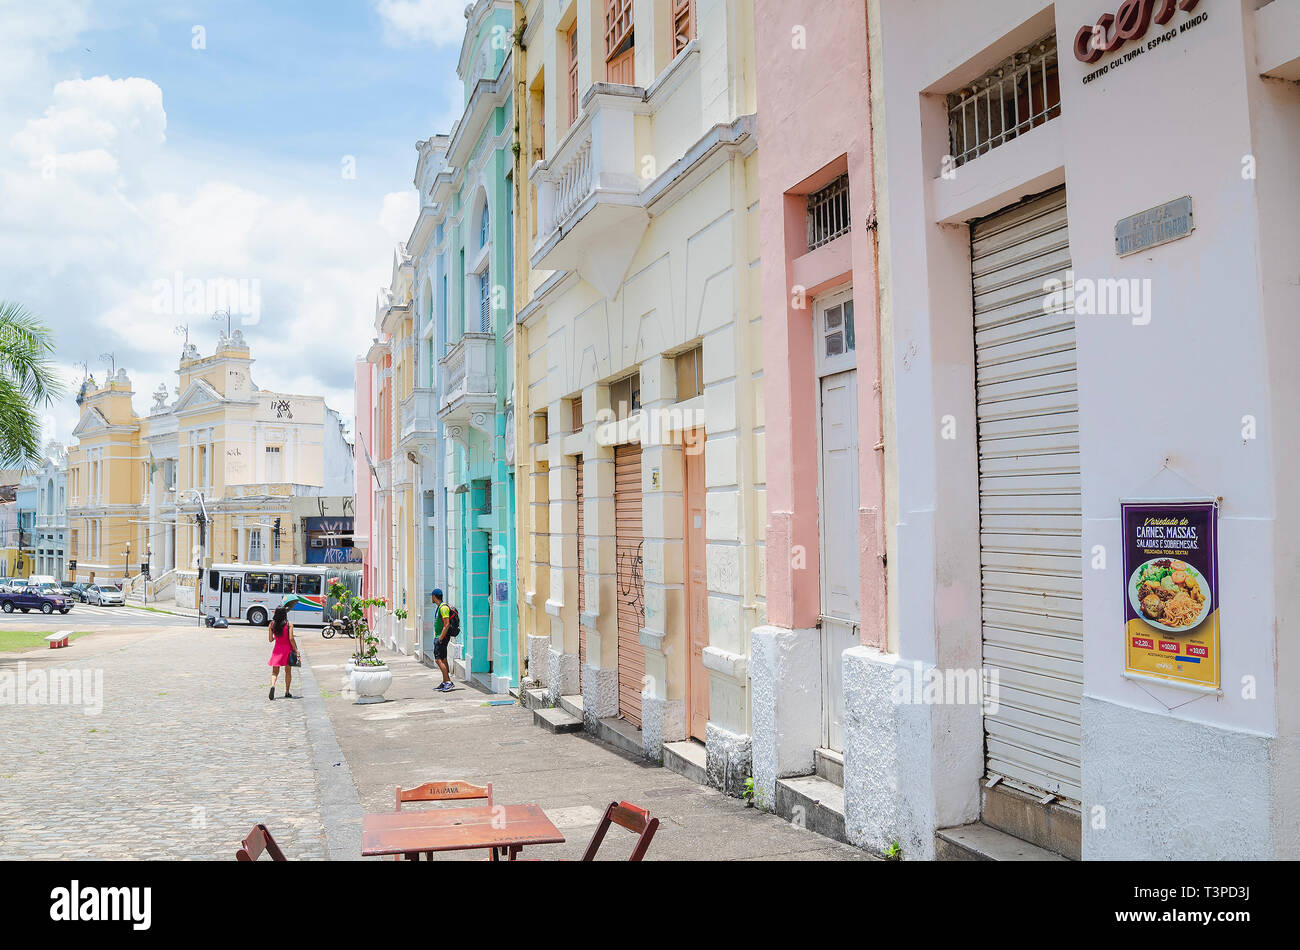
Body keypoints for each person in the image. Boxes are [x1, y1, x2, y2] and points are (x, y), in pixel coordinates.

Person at [267, 603, 299, 700]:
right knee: (288, 671)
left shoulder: (272, 624)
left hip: (277, 650)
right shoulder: (289, 624)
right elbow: (291, 638)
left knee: (274, 672)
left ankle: (272, 685)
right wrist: (296, 649)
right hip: (287, 650)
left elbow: (270, 640)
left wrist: (276, 637)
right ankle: (287, 691)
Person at [430, 588, 454, 692]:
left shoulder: (443, 608)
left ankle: (448, 682)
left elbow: (447, 624)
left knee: (438, 660)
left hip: (441, 637)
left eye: (432, 596)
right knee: (443, 659)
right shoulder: (440, 607)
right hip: (441, 637)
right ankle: (445, 682)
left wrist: (440, 638)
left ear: (434, 597)